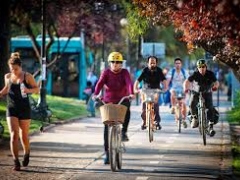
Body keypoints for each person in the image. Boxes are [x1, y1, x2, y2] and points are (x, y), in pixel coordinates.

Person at [92, 51, 134, 164]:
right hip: (108, 101)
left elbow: (129, 83)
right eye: (113, 62)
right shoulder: (106, 72)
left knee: (127, 109)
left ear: (121, 63)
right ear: (110, 63)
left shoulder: (125, 72)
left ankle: (124, 131)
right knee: (106, 127)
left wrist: (131, 93)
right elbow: (100, 83)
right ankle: (107, 153)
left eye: (118, 62)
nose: (115, 64)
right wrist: (95, 94)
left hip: (123, 99)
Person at [0, 52, 39, 171]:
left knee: (24, 136)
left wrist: (27, 90)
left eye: (16, 69)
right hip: (12, 108)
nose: (14, 72)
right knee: (14, 135)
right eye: (12, 69)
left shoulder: (27, 76)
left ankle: (27, 152)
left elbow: (37, 89)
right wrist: (0, 93)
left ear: (20, 66)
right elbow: (6, 89)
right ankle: (16, 161)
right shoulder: (7, 77)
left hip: (24, 108)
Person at [183, 59, 219, 137]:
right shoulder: (195, 74)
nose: (201, 69)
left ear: (206, 67)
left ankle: (211, 127)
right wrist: (185, 88)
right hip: (196, 93)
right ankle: (194, 119)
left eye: (203, 67)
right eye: (200, 67)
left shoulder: (210, 74)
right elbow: (187, 81)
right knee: (191, 104)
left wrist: (215, 87)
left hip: (207, 93)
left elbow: (216, 82)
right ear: (197, 67)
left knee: (210, 108)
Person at [133, 56, 168, 130]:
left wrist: (165, 88)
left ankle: (157, 122)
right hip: (146, 89)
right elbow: (138, 80)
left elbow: (164, 80)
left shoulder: (159, 70)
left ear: (156, 63)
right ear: (148, 63)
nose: (152, 64)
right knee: (143, 104)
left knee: (155, 104)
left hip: (156, 89)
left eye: (154, 63)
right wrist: (135, 89)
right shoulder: (144, 70)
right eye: (150, 63)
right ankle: (144, 121)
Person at [166, 57, 189, 128]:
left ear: (181, 64)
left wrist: (188, 88)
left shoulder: (184, 72)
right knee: (172, 92)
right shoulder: (171, 71)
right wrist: (166, 87)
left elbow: (188, 80)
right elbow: (168, 80)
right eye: (176, 63)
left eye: (179, 63)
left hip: (183, 89)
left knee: (184, 104)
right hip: (174, 89)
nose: (178, 65)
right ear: (174, 64)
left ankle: (184, 119)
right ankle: (173, 107)